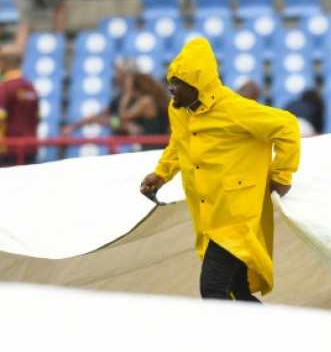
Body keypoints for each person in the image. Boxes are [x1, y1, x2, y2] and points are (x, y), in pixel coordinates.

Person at [139, 37, 300, 302]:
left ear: (197, 85)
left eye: (178, 83)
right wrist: (162, 174)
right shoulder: (179, 109)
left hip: (234, 218)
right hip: (208, 215)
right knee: (236, 291)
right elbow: (179, 142)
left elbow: (287, 126)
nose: (170, 88)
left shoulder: (233, 109)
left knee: (213, 290)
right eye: (171, 80)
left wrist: (282, 176)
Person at [62, 59, 140, 137]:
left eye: (118, 72)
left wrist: (107, 121)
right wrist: (74, 126)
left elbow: (129, 125)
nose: (115, 75)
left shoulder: (140, 97)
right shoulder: (121, 95)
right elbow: (102, 114)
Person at [0, 49, 39, 166]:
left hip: (9, 148)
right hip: (31, 147)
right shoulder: (30, 87)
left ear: (5, 63)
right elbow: (37, 118)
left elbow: (1, 118)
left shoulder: (5, 88)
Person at [118, 72, 170, 149]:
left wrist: (125, 100)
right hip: (159, 142)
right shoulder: (154, 98)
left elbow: (124, 117)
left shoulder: (146, 101)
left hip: (151, 144)